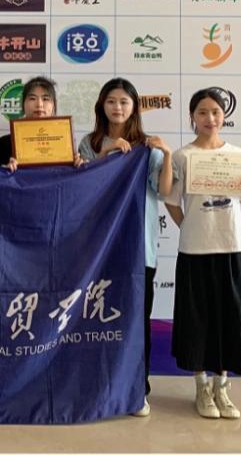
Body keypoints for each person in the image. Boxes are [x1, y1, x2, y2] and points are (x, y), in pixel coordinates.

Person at [165, 88, 241, 420]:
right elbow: (171, 201)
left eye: (216, 112)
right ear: (192, 117)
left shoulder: (236, 155)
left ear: (224, 116)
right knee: (197, 319)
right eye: (202, 112)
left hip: (231, 246)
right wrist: (189, 226)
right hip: (195, 248)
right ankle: (201, 387)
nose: (210, 118)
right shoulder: (182, 156)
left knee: (228, 317)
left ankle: (222, 387)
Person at [76, 78, 173, 418]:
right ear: (101, 105)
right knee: (97, 319)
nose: (117, 107)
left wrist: (167, 154)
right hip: (100, 247)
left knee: (137, 320)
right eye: (111, 101)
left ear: (134, 108)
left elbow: (163, 191)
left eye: (124, 102)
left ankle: (137, 389)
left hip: (139, 247)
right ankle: (98, 387)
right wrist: (106, 155)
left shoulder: (148, 146)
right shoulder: (89, 143)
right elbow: (81, 185)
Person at [0, 76, 83, 170]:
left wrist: (78, 166)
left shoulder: (65, 141)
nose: (39, 104)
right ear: (23, 104)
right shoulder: (7, 143)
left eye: (45, 99)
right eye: (32, 98)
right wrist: (5, 171)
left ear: (54, 105)